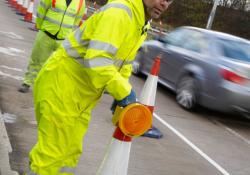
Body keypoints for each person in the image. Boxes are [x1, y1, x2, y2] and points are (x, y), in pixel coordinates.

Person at [27, 0, 171, 174]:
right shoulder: (120, 13)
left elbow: (124, 64)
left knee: (70, 152)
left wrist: (120, 92)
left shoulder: (141, 24)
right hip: (62, 84)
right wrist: (124, 93)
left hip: (81, 95)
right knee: (52, 153)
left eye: (170, 0)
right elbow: (97, 60)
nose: (164, 3)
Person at [18, 0, 86, 93]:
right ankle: (27, 82)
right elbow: (42, 10)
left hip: (63, 39)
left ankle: (49, 88)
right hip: (46, 33)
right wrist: (41, 27)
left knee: (59, 66)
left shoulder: (81, 2)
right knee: (37, 60)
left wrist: (69, 35)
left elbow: (77, 20)